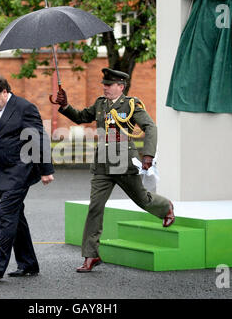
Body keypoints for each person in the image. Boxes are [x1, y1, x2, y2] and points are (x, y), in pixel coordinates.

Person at [55, 68, 175, 273]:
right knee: (95, 207)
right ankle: (91, 255)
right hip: (102, 164)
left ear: (121, 86)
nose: (105, 87)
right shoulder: (101, 103)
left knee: (142, 199)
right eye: (104, 84)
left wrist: (148, 155)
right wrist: (65, 105)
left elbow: (150, 127)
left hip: (124, 163)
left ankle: (165, 207)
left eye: (109, 85)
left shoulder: (131, 104)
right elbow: (81, 116)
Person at [0, 74, 54, 280]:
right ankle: (28, 263)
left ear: (4, 92)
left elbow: (38, 139)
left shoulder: (24, 108)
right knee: (16, 217)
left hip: (19, 170)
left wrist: (45, 169)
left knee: (6, 213)